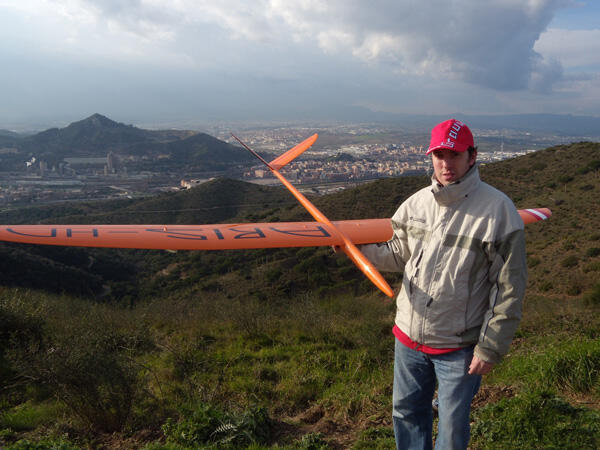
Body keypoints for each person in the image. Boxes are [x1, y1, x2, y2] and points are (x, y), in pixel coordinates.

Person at [360, 119, 527, 449]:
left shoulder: (498, 210)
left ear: (472, 156)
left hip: (459, 346)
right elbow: (398, 255)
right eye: (439, 155)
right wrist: (353, 248)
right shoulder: (416, 204)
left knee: (451, 430)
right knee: (406, 413)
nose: (446, 164)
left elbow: (509, 287)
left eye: (454, 155)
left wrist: (491, 346)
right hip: (408, 338)